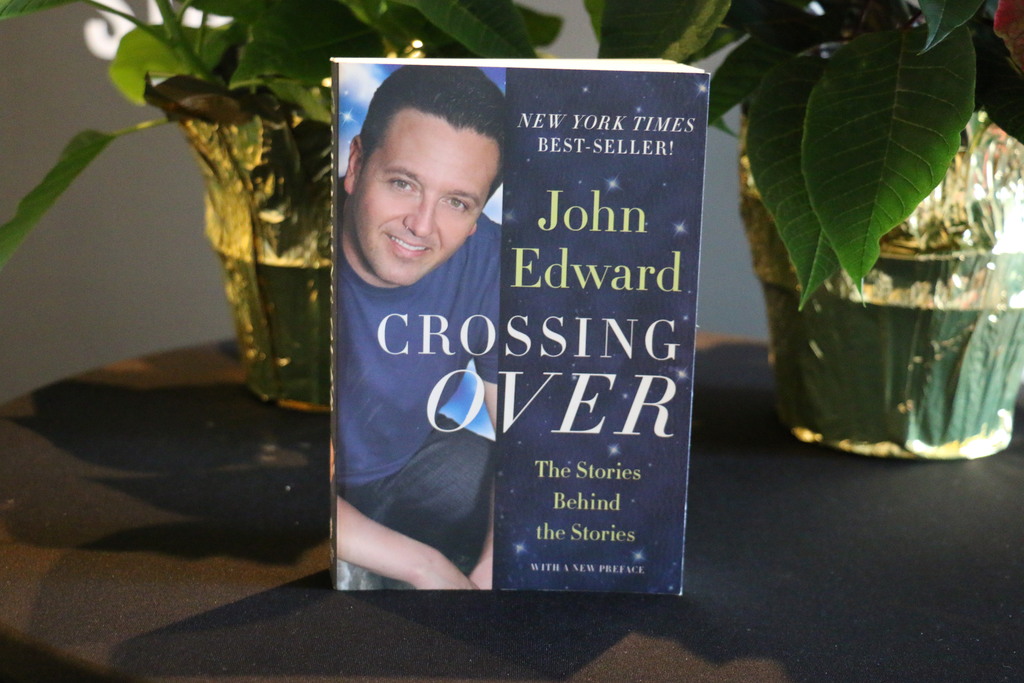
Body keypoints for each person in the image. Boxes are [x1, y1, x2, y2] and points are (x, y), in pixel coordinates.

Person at [333, 64, 505, 590]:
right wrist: (424, 566)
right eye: (403, 183)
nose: (421, 226)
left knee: (555, 530)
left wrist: (496, 565)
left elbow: (526, 438)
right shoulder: (299, 257)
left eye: (456, 202)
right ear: (356, 164)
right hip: (301, 479)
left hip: (411, 460)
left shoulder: (491, 258)